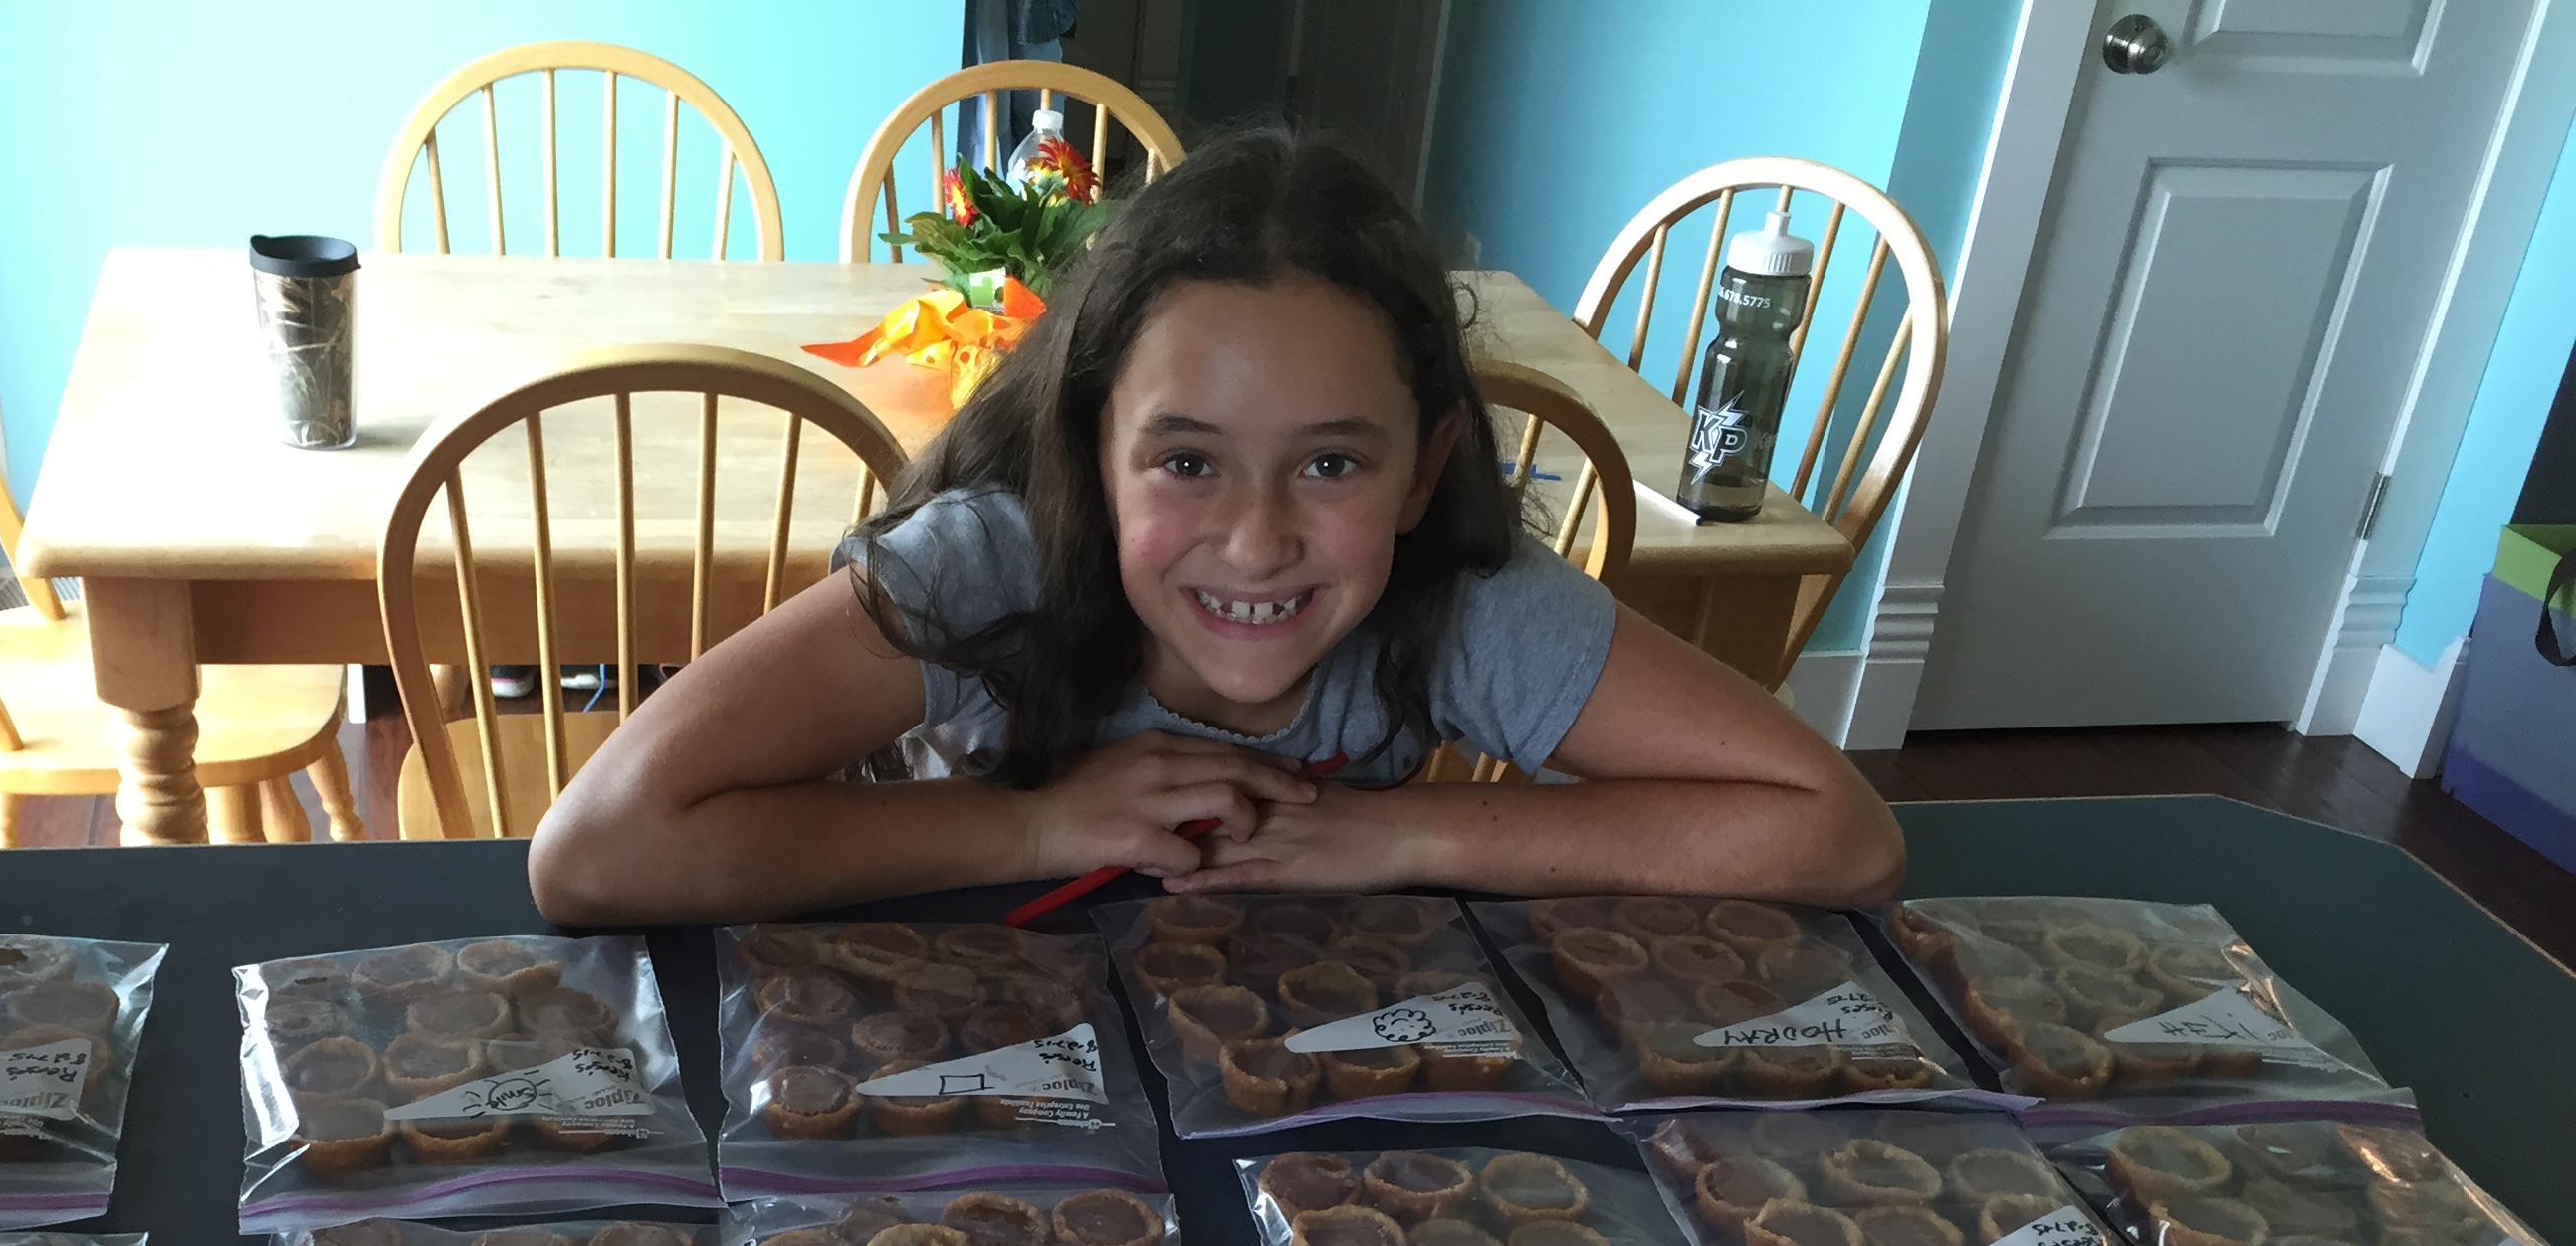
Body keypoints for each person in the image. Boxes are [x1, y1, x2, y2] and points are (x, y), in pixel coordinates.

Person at [528, 126, 1901, 927]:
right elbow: (598, 848)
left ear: (1422, 475)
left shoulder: (1465, 602)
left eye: (1331, 464)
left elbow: (1836, 832)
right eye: (1187, 460)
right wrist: (1034, 828)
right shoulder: (987, 569)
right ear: (1090, 456)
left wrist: (1409, 838)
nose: (1254, 543)